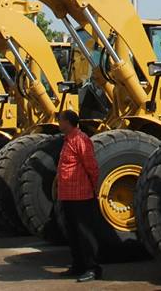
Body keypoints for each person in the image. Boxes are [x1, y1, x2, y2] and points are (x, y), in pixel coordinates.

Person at [55, 110, 102, 282]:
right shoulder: (68, 141)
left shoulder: (81, 140)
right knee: (73, 233)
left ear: (68, 122)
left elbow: (91, 167)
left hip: (81, 196)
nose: (59, 124)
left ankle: (92, 268)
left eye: (60, 120)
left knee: (85, 234)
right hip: (67, 196)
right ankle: (78, 265)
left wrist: (93, 188)